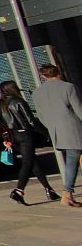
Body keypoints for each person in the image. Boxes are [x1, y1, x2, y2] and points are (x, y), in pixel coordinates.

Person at [0, 80, 59, 206]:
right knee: (28, 164)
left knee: (33, 162)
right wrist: (47, 134)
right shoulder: (19, 102)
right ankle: (18, 191)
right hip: (24, 134)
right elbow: (31, 121)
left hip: (12, 136)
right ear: (14, 88)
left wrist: (5, 139)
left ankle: (49, 190)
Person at [32, 63, 82, 208]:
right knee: (73, 159)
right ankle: (67, 193)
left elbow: (40, 116)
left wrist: (52, 125)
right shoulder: (68, 87)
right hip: (73, 128)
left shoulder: (37, 92)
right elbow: (79, 109)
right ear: (58, 72)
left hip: (56, 130)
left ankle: (68, 195)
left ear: (43, 76)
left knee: (74, 158)